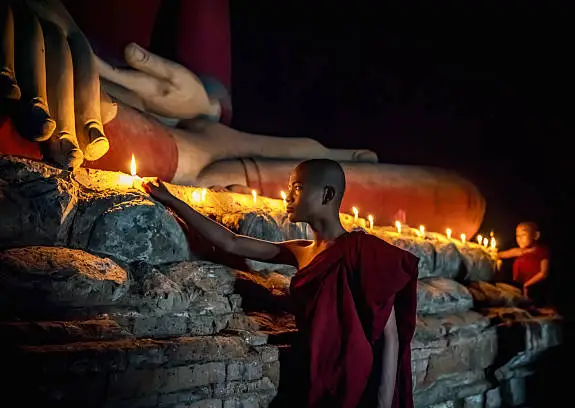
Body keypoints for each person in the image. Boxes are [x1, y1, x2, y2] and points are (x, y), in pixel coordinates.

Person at [143, 158, 419, 408]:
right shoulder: (301, 251)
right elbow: (232, 242)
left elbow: (390, 335)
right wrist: (173, 201)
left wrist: (383, 402)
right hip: (313, 369)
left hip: (355, 374)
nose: (287, 196)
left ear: (327, 194)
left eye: (297, 188)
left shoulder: (363, 250)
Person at [496, 222, 550, 303]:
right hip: (518, 286)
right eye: (517, 235)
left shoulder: (542, 251)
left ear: (536, 235)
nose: (519, 238)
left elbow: (544, 273)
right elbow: (500, 255)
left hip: (535, 287)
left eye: (523, 235)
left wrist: (527, 284)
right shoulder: (519, 251)